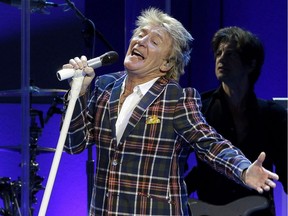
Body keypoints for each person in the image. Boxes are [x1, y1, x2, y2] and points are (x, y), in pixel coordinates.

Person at [61, 9, 279, 215]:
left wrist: (243, 169)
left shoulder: (176, 98)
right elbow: (73, 144)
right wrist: (78, 94)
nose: (140, 41)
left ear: (166, 64)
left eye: (154, 42)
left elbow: (209, 143)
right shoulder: (104, 86)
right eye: (140, 34)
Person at [185, 26, 287, 216]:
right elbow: (179, 161)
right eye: (218, 53)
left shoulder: (273, 115)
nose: (221, 59)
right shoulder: (199, 108)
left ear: (251, 64)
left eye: (230, 53)